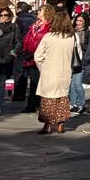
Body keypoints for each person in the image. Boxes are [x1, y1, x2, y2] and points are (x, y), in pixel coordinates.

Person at [33, 7, 77, 135]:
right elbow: (77, 54)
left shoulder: (48, 37)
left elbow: (38, 56)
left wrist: (43, 67)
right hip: (65, 72)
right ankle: (60, 125)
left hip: (49, 72)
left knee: (48, 99)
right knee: (62, 98)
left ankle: (47, 125)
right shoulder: (72, 38)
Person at [20, 5, 49, 115]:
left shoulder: (49, 26)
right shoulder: (35, 25)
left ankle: (39, 104)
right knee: (33, 83)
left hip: (42, 57)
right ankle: (31, 105)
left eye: (40, 11)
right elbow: (28, 38)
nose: (38, 12)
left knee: (40, 83)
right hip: (31, 57)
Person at [68, 12, 89, 113]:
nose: (78, 22)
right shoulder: (71, 32)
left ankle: (81, 104)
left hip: (81, 60)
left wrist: (79, 45)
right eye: (77, 20)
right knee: (72, 84)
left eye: (81, 21)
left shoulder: (88, 32)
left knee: (77, 83)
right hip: (72, 60)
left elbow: (88, 47)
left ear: (85, 22)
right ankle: (73, 103)